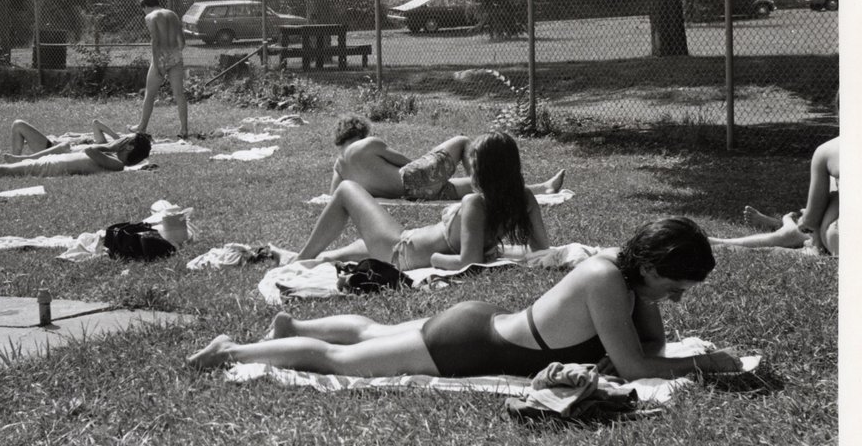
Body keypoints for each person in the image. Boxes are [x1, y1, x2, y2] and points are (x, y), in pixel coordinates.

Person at [189, 217, 745, 381]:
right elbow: (635, 366)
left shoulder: (622, 279)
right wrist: (708, 364)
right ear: (647, 266)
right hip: (468, 347)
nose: (672, 301)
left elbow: (648, 347)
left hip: (479, 327)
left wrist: (652, 313)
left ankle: (290, 333)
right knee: (342, 362)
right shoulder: (605, 279)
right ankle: (232, 351)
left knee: (371, 333)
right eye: (672, 289)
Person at [297, 131, 550, 269]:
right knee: (335, 257)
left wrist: (434, 260)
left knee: (347, 190)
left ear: (487, 172)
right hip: (405, 240)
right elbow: (541, 248)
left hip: (401, 251)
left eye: (475, 166)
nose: (471, 171)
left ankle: (299, 260)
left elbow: (468, 262)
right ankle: (302, 259)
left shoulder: (475, 204)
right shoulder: (523, 199)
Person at [329, 115, 567, 200]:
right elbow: (410, 164)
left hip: (412, 195)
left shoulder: (340, 167)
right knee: (462, 141)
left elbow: (335, 196)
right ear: (361, 132)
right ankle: (481, 183)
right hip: (414, 181)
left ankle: (542, 188)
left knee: (463, 187)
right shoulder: (370, 144)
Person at [709, 136, 839, 256]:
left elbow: (811, 222)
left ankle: (788, 228)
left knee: (833, 184)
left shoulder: (828, 149)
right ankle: (785, 227)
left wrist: (805, 221)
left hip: (836, 240)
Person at [131, 0, 189, 139]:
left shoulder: (150, 17)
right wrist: (175, 53)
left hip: (161, 57)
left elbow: (155, 41)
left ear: (145, 6)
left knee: (150, 94)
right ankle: (184, 130)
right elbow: (182, 41)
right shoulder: (173, 14)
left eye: (143, 9)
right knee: (179, 94)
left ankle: (141, 127)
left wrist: (156, 64)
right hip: (176, 55)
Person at [0, 131, 152, 179]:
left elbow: (89, 151)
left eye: (126, 139)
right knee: (3, 170)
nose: (121, 138)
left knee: (1, 170)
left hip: (53, 167)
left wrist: (110, 146)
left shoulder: (118, 165)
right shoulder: (114, 159)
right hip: (54, 161)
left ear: (130, 147)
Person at [3, 117, 120, 162]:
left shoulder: (102, 145)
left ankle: (15, 161)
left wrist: (117, 138)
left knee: (18, 125)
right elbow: (95, 124)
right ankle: (15, 161)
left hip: (52, 149)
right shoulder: (96, 142)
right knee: (18, 126)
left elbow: (96, 123)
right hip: (52, 145)